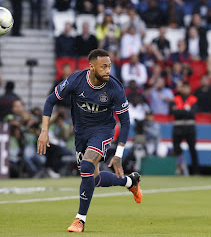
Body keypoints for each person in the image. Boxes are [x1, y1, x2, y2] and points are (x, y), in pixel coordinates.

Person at [37, 49, 143, 232]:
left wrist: (118, 154)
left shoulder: (115, 88)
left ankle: (80, 220)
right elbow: (49, 101)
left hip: (102, 131)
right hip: (80, 133)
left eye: (109, 66)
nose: (108, 70)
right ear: (91, 67)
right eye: (103, 67)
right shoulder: (76, 80)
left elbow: (125, 122)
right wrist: (44, 131)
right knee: (92, 179)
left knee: (86, 166)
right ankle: (130, 182)